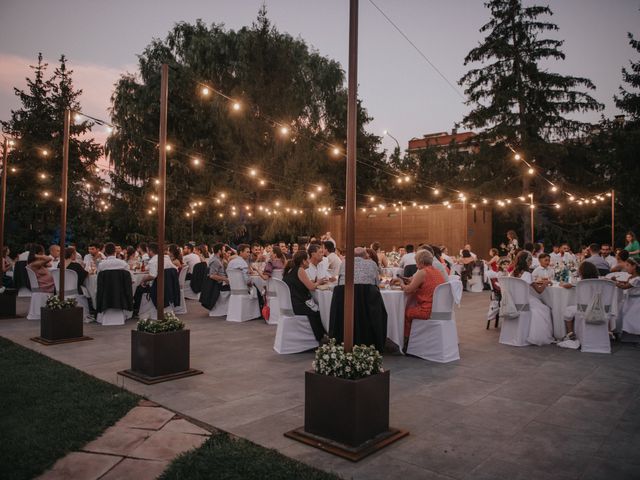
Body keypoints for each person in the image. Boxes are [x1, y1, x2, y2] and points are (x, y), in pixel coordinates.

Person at [397, 249, 445, 351]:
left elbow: (409, 290)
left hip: (426, 311)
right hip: (438, 309)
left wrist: (400, 283)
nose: (415, 264)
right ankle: (414, 340)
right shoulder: (436, 271)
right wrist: (409, 280)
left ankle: (407, 343)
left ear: (421, 262)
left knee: (406, 313)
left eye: (416, 261)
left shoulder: (422, 272)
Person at [510, 251, 554, 345]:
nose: (531, 263)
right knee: (544, 309)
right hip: (525, 301)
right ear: (527, 262)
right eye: (530, 261)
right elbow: (539, 290)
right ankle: (536, 336)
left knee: (539, 306)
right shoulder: (527, 274)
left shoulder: (513, 273)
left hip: (513, 301)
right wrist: (546, 283)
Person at [283, 250, 327, 343]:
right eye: (307, 259)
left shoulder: (290, 269)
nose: (309, 261)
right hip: (299, 305)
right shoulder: (300, 270)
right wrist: (319, 282)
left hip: (292, 303)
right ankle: (321, 338)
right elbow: (311, 287)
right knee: (318, 312)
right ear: (303, 261)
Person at [561, 261, 599, 341]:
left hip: (584, 309)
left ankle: (570, 333)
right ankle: (609, 331)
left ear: (582, 272)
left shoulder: (580, 283)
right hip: (599, 308)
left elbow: (566, 285)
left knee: (568, 311)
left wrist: (562, 284)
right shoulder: (600, 282)